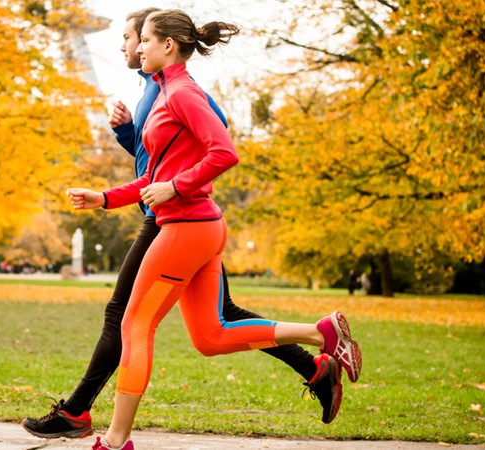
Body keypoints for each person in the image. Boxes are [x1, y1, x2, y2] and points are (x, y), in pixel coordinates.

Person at [22, 8, 347, 441]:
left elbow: (221, 149)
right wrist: (105, 197)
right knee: (211, 335)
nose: (133, 47)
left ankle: (108, 435)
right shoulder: (160, 91)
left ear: (165, 45)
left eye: (139, 40)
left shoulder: (181, 92)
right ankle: (318, 337)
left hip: (184, 224)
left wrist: (175, 187)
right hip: (183, 221)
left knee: (132, 323)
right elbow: (154, 167)